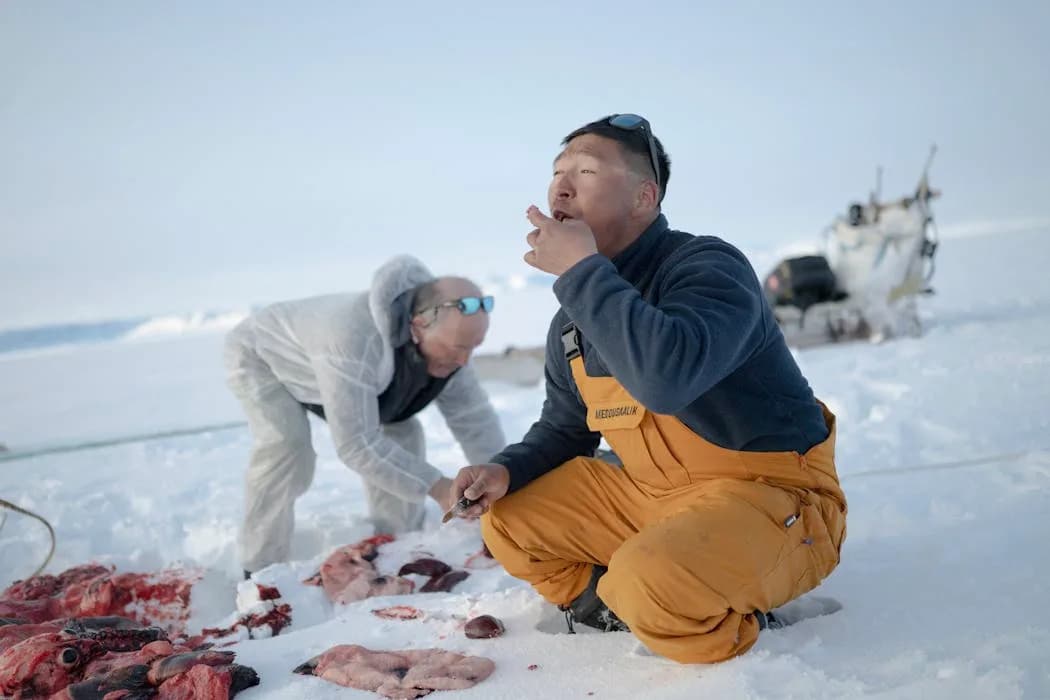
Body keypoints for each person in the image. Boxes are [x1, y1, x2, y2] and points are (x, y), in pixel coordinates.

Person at [450, 114, 847, 664]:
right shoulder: (573, 318)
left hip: (770, 500)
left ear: (644, 197)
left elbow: (667, 377)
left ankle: (730, 629)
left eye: (585, 171)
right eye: (557, 172)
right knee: (510, 516)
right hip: (654, 501)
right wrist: (506, 470)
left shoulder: (708, 267)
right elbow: (565, 429)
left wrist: (581, 271)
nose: (561, 187)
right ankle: (614, 611)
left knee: (647, 580)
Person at [225, 254, 506, 576]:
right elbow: (357, 443)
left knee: (402, 430)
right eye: (458, 348)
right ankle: (259, 566)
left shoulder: (453, 343)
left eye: (474, 347)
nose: (464, 361)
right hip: (264, 358)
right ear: (418, 327)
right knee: (287, 447)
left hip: (353, 374)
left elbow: (475, 421)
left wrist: (498, 477)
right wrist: (438, 486)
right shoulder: (352, 338)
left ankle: (395, 541)